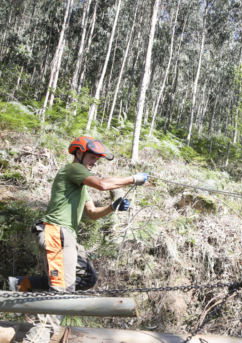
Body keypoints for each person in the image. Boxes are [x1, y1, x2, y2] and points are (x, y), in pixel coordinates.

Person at [8, 136, 149, 343]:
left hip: (67, 237)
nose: (94, 162)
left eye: (97, 160)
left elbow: (91, 212)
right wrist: (132, 179)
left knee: (86, 278)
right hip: (56, 232)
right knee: (61, 293)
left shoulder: (80, 185)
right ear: (79, 154)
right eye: (92, 157)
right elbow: (101, 185)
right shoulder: (72, 170)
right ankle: (36, 338)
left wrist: (112, 207)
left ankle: (23, 284)